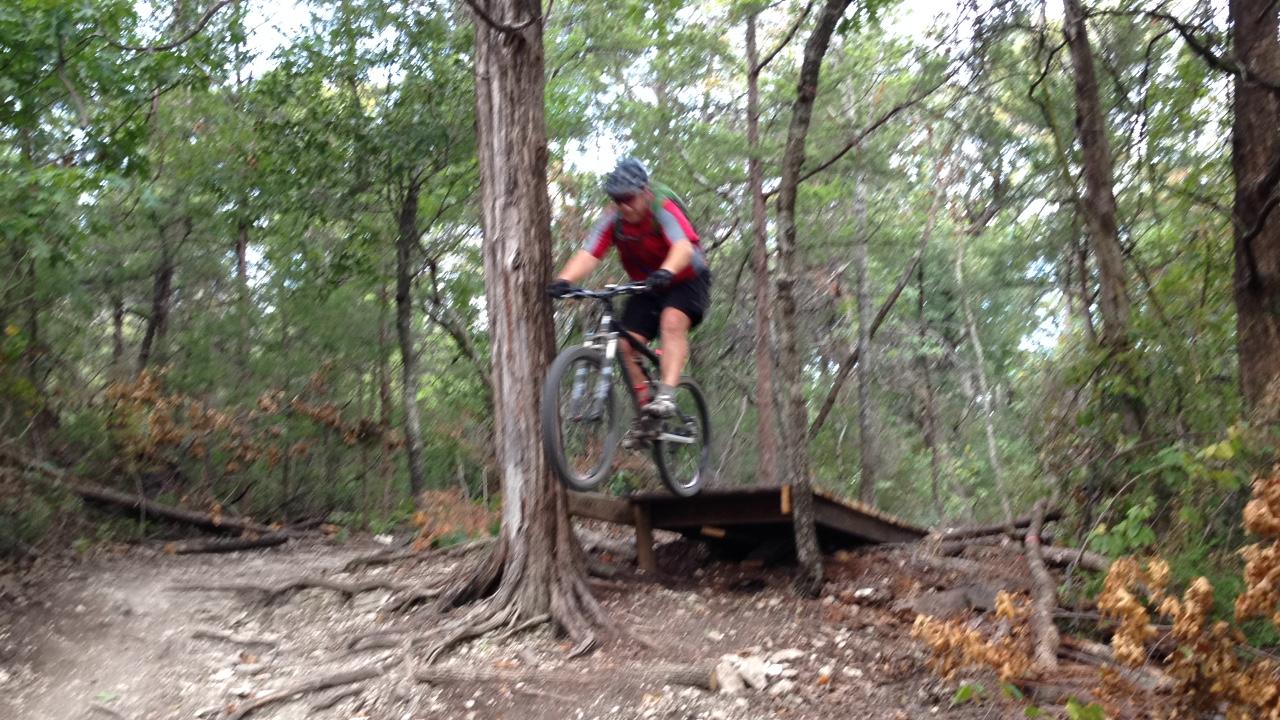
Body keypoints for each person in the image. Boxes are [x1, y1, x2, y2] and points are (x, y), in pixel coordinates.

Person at [547, 158, 711, 418]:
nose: (623, 206)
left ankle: (666, 397)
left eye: (629, 199)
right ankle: (646, 409)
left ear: (644, 192)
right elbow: (590, 252)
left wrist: (667, 271)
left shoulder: (662, 208)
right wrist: (564, 280)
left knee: (672, 322)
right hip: (647, 285)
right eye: (617, 200)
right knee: (624, 344)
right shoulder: (613, 218)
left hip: (687, 279)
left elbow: (683, 247)